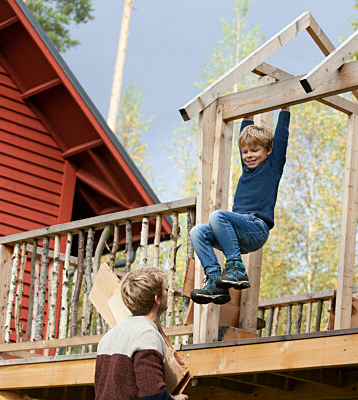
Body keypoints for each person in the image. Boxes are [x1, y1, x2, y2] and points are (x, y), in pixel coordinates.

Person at [190, 107, 291, 304]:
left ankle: (236, 267)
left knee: (217, 216)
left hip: (256, 228)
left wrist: (285, 109)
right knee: (197, 232)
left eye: (255, 150)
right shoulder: (246, 168)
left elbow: (281, 137)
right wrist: (248, 113)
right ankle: (216, 283)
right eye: (245, 152)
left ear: (269, 151)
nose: (249, 155)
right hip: (236, 234)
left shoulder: (272, 166)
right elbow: (244, 136)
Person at [94, 267, 188, 400]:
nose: (167, 293)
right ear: (157, 299)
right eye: (164, 290)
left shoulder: (108, 336)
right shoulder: (146, 334)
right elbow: (152, 396)